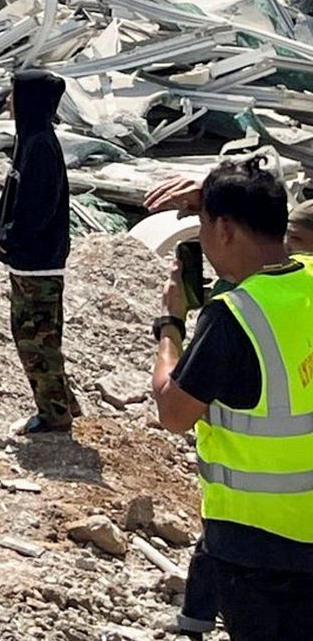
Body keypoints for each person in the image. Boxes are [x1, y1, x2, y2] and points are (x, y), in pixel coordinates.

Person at [151, 158, 313, 641]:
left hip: (256, 544)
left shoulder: (232, 317)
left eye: (204, 225)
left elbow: (173, 412)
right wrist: (227, 194)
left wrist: (170, 326)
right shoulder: (307, 276)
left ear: (223, 230)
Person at [0, 69, 79, 435]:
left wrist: (11, 239)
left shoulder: (40, 145)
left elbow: (36, 208)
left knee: (36, 341)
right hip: (31, 262)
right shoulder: (30, 139)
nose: (9, 102)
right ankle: (63, 401)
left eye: (14, 94)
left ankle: (54, 414)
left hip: (38, 263)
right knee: (39, 336)